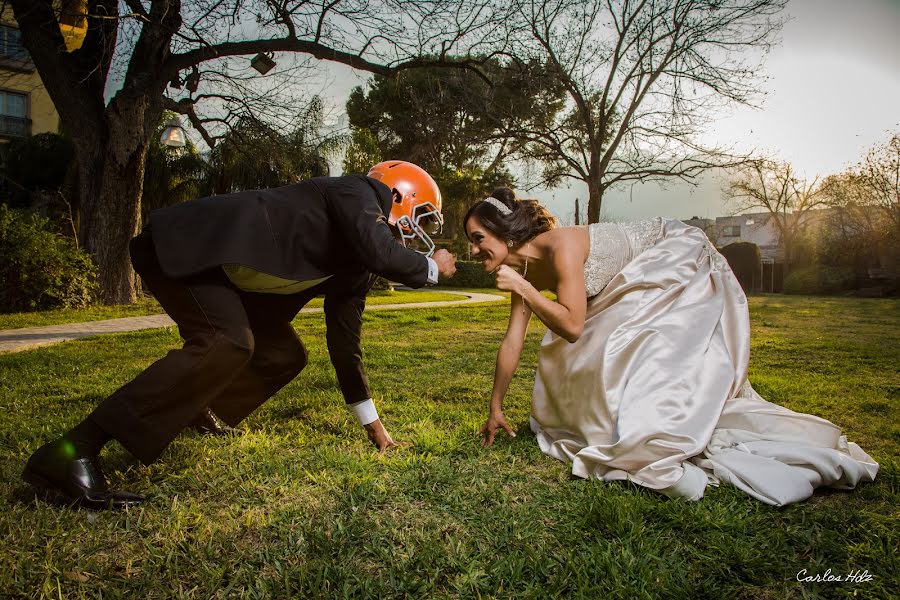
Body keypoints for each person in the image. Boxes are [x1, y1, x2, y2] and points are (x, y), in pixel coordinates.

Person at [22, 160, 457, 510]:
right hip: (186, 249)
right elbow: (380, 248)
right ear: (398, 195)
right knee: (228, 341)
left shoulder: (359, 266)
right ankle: (72, 451)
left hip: (223, 278)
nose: (414, 231)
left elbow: (346, 346)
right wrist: (432, 268)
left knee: (285, 353)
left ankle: (201, 409)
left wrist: (374, 428)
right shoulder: (355, 191)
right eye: (419, 217)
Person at [466, 188, 878, 506]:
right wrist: (496, 408)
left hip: (676, 260)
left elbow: (572, 325)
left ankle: (664, 425)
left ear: (505, 233)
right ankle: (629, 422)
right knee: (589, 358)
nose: (473, 249)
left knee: (631, 353)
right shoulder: (524, 269)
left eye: (478, 237)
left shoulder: (562, 246)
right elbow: (512, 341)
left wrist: (523, 288)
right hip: (632, 284)